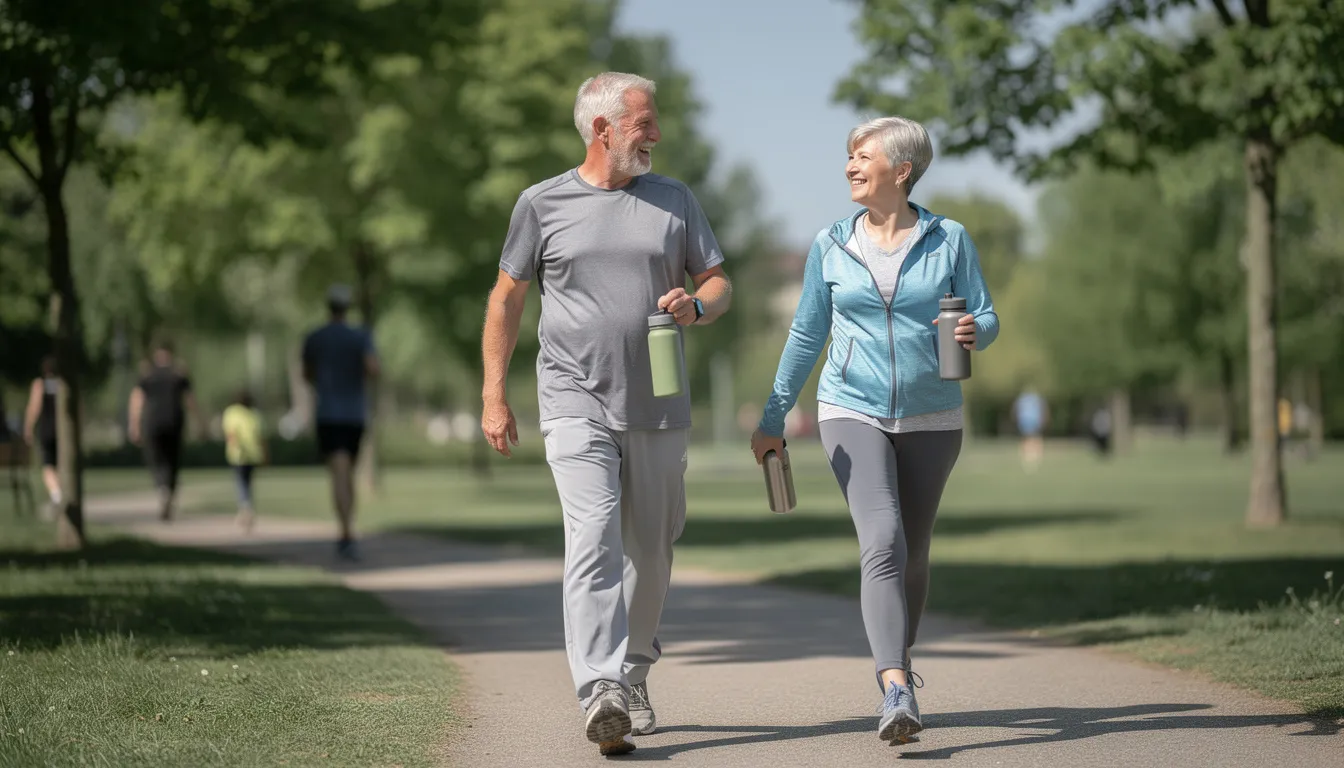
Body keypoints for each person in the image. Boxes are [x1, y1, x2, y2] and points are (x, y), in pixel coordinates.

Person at [480, 72, 732, 756]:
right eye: (644, 123)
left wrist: (698, 304)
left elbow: (718, 280)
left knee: (651, 548)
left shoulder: (675, 199)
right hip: (572, 398)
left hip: (657, 401)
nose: (655, 134)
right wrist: (494, 393)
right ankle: (600, 690)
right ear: (602, 129)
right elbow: (506, 299)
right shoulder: (542, 203)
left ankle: (634, 671)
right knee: (592, 536)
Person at [751, 116, 998, 746]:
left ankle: (900, 660)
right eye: (849, 156)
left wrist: (976, 330)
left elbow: (985, 313)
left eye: (862, 156)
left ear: (902, 169)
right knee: (882, 538)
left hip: (933, 415)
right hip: (848, 408)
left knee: (912, 550)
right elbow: (807, 333)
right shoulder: (832, 244)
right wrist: (774, 414)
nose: (849, 166)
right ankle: (894, 686)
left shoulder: (949, 238)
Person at [302, 284, 379, 561]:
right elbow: (374, 369)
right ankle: (348, 531)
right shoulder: (360, 336)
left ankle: (345, 531)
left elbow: (306, 374)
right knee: (348, 474)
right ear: (348, 308)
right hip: (354, 414)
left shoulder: (315, 338)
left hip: (328, 414)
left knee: (339, 473)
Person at [128, 340, 201, 521]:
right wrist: (198, 422)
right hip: (174, 420)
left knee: (155, 457)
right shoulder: (179, 373)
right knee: (173, 459)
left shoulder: (148, 374)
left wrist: (134, 424)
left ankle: (162, 487)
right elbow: (190, 400)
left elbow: (137, 398)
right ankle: (169, 489)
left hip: (152, 422)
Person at [22, 356, 63, 511]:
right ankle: (59, 494)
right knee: (59, 464)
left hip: (46, 429)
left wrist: (28, 427)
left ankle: (57, 495)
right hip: (61, 432)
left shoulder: (40, 384)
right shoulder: (62, 385)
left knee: (47, 466)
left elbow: (34, 407)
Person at [223, 389, 267, 531]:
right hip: (253, 455)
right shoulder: (254, 414)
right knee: (248, 482)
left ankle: (245, 507)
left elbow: (231, 433)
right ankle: (247, 506)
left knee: (240, 481)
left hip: (238, 454)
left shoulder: (231, 413)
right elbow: (260, 437)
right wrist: (265, 454)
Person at [1012, 389, 1047, 472]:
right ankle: (1028, 456)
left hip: (1032, 421)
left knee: (1033, 438)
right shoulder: (1026, 399)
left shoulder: (1033, 399)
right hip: (1027, 421)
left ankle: (1034, 456)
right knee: (1028, 439)